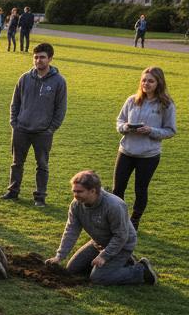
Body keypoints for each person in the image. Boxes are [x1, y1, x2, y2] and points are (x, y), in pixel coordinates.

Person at [46, 170, 157, 285]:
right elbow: (71, 230)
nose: (76, 195)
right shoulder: (76, 205)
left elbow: (121, 236)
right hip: (99, 242)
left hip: (122, 245)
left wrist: (104, 256)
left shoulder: (114, 205)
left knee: (98, 278)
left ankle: (141, 270)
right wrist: (59, 256)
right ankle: (123, 264)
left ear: (93, 191)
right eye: (74, 191)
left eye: (80, 191)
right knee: (72, 269)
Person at [1, 43, 66, 206]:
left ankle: (40, 197)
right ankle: (13, 191)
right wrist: (14, 123)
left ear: (50, 58)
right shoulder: (24, 78)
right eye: (36, 57)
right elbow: (15, 102)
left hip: (43, 132)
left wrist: (51, 128)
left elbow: (61, 108)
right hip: (21, 129)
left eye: (42, 57)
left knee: (42, 165)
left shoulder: (59, 81)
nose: (38, 60)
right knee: (17, 163)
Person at [112, 66, 176, 229]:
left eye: (150, 81)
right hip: (126, 151)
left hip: (148, 155)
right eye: (144, 80)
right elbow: (119, 121)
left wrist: (151, 131)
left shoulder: (166, 104)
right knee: (118, 188)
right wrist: (124, 127)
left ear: (159, 83)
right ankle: (119, 219)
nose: (146, 83)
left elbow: (170, 130)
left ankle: (134, 220)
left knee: (140, 189)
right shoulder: (132, 100)